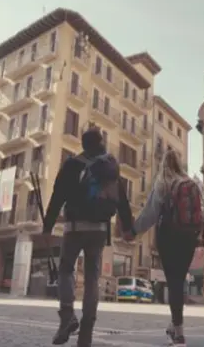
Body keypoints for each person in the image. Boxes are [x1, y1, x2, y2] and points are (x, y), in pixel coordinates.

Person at [43, 128, 134, 347]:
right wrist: (128, 227)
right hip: (100, 230)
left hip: (74, 228)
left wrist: (47, 227)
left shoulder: (72, 165)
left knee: (66, 269)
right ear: (101, 143)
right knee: (93, 277)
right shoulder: (110, 168)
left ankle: (67, 316)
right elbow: (121, 198)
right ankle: (86, 334)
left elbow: (57, 196)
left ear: (83, 145)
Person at [127, 149, 204, 347]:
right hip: (189, 237)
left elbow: (150, 213)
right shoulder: (192, 184)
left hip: (168, 237)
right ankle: (173, 328)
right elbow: (200, 212)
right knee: (178, 281)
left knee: (173, 283)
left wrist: (134, 231)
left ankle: (179, 333)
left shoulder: (163, 183)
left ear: (164, 164)